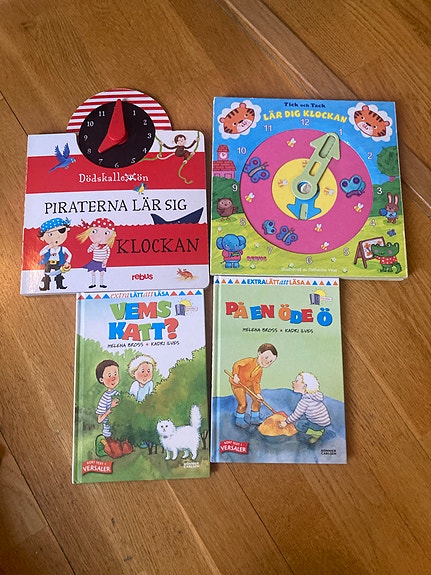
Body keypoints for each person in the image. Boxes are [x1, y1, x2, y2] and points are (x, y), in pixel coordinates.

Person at [229, 343, 278, 428]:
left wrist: (258, 393)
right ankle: (239, 420)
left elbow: (256, 383)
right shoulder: (249, 361)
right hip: (238, 384)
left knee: (257, 400)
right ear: (259, 353)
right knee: (243, 404)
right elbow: (237, 364)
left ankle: (254, 418)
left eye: (270, 361)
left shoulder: (259, 370)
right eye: (266, 357)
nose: (267, 362)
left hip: (249, 384)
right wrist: (235, 375)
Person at [95, 359, 133, 458]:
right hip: (109, 432)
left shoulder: (118, 394)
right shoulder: (104, 398)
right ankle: (103, 442)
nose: (113, 378)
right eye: (109, 375)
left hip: (120, 430)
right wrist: (110, 409)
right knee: (117, 454)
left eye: (115, 374)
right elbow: (99, 420)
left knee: (128, 450)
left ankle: (117, 445)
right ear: (102, 380)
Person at [279, 372, 331, 443]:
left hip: (317, 424)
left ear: (304, 386)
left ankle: (317, 433)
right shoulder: (315, 396)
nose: (293, 383)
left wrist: (286, 422)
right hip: (324, 422)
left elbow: (296, 415)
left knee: (298, 425)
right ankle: (320, 429)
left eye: (297, 381)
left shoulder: (305, 401)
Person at [76, 218, 116, 289]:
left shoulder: (106, 246)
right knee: (93, 272)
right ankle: (93, 284)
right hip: (94, 260)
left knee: (102, 272)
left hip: (102, 261)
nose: (99, 236)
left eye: (106, 233)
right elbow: (89, 250)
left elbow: (108, 252)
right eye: (94, 231)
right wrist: (94, 246)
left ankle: (101, 284)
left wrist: (106, 259)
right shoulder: (94, 245)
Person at [38, 217, 72, 291]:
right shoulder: (47, 248)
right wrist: (48, 247)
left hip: (58, 263)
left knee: (59, 275)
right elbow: (40, 253)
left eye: (61, 231)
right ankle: (46, 286)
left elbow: (70, 254)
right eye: (50, 234)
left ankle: (60, 286)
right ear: (43, 237)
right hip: (48, 263)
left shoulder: (62, 248)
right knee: (46, 274)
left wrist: (67, 262)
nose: (57, 236)